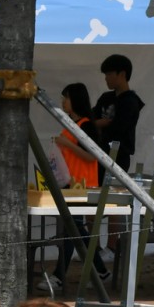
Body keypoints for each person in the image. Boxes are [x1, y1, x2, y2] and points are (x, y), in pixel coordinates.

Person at [51, 83, 105, 285]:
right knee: (75, 228)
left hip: (82, 185)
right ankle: (100, 270)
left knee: (73, 228)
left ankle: (59, 276)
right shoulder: (72, 125)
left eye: (66, 98)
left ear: (75, 100)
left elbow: (92, 156)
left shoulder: (86, 125)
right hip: (70, 184)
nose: (63, 102)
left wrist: (67, 144)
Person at [93, 53, 144, 171]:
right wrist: (99, 123)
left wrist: (97, 124)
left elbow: (117, 129)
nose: (106, 78)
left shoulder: (130, 102)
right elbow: (89, 118)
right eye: (105, 74)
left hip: (118, 157)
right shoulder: (106, 97)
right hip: (98, 153)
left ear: (122, 74)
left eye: (109, 74)